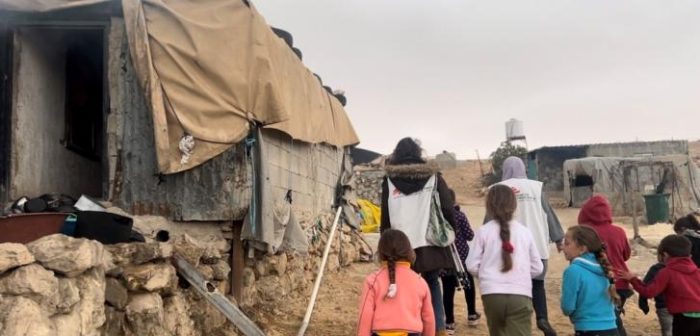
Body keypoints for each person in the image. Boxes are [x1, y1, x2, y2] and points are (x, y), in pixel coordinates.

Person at [380, 137, 456, 336]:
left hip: (400, 244)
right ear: (418, 153)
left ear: (396, 155)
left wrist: (385, 243)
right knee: (432, 283)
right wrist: (450, 230)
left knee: (403, 285)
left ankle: (407, 327)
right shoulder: (433, 177)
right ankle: (438, 329)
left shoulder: (389, 180)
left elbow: (385, 215)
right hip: (429, 241)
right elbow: (448, 207)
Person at [490, 156, 564, 336]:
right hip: (537, 248)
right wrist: (558, 239)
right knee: (538, 286)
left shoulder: (497, 190)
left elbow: (489, 221)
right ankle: (542, 319)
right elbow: (549, 214)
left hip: (509, 252)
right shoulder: (535, 187)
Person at [466, 184, 544, 336]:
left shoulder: (483, 231)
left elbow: (471, 265)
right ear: (514, 205)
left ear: (489, 206)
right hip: (520, 294)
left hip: (491, 293)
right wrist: (521, 275)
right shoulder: (524, 232)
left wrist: (486, 275)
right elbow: (537, 268)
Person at [357, 229, 435, 336]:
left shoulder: (372, 280)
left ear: (380, 253)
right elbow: (429, 318)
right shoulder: (420, 282)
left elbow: (365, 316)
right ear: (409, 251)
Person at [618, 234, 700, 336]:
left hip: (683, 318)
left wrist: (633, 279)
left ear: (664, 255)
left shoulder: (667, 272)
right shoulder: (697, 271)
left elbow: (649, 292)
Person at [577, 194, 631, 336]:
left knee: (611, 322)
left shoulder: (585, 233)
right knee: (614, 318)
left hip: (601, 284)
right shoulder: (619, 231)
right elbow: (626, 255)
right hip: (622, 282)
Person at [560, 225, 619, 336]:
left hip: (588, 329)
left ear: (582, 249)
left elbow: (567, 307)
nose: (562, 247)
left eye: (567, 243)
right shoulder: (604, 268)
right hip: (612, 329)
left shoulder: (573, 271)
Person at [441, 189, 480, 335]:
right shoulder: (460, 215)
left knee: (447, 289)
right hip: (463, 257)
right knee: (468, 285)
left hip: (445, 259)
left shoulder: (439, 219)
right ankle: (472, 315)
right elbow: (470, 236)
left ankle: (449, 323)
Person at [637, 254, 672, 336]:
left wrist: (643, 304)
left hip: (664, 307)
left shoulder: (656, 268)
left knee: (668, 331)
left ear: (661, 255)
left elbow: (645, 286)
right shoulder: (688, 267)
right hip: (685, 307)